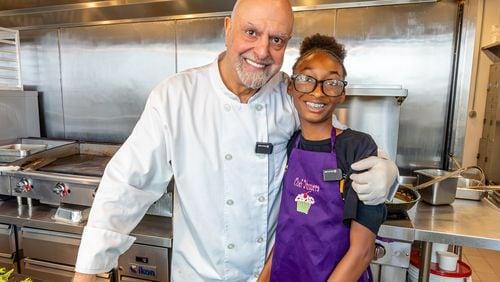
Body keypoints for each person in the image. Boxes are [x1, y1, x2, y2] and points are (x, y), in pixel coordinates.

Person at [73, 0, 398, 281]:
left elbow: (343, 143)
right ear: (228, 28)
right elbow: (127, 186)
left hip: (273, 275)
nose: (262, 51)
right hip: (199, 276)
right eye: (251, 32)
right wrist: (87, 272)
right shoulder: (176, 97)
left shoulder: (290, 95)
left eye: (277, 40)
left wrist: (387, 173)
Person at [258, 34, 385, 282]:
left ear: (341, 94)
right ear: (291, 86)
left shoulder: (357, 147)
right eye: (306, 79)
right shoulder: (291, 145)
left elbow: (362, 252)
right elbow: (287, 236)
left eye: (332, 83)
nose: (318, 92)